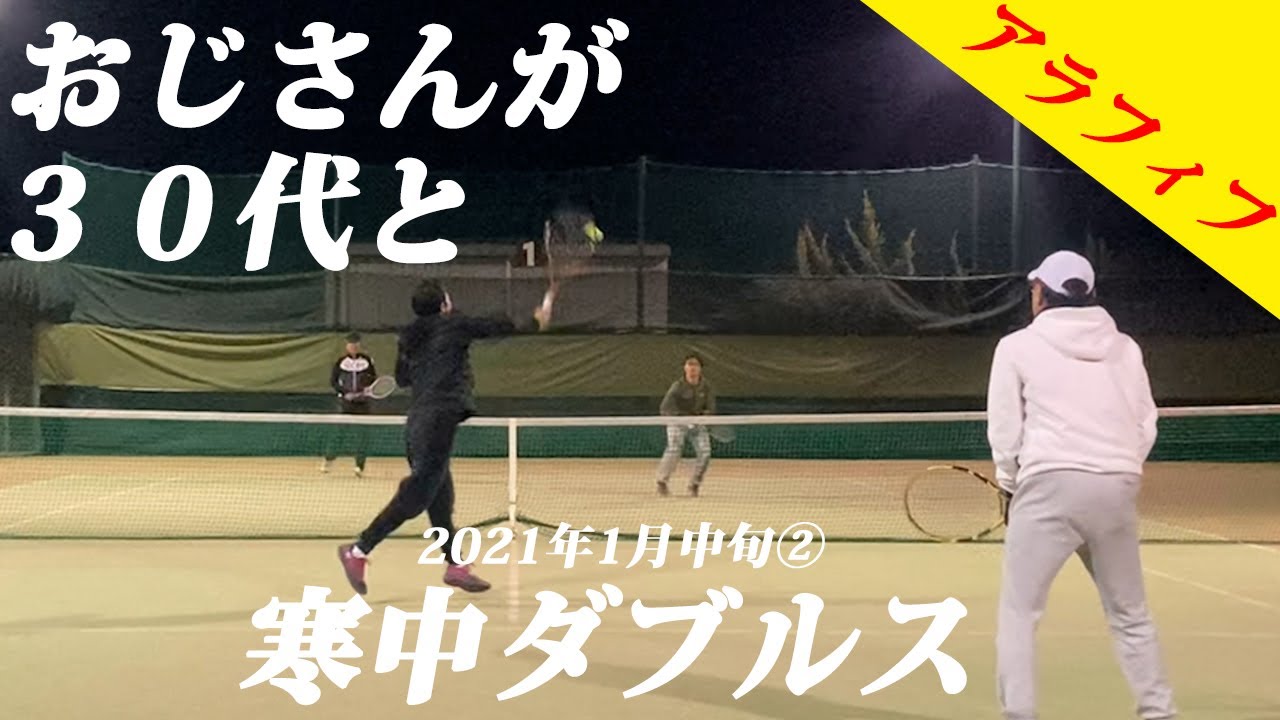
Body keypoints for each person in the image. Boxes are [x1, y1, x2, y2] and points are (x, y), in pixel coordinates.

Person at [987, 250, 1176, 720]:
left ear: (1042, 294)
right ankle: (1159, 711)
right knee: (1130, 614)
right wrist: (1120, 467)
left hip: (1048, 486)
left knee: (1019, 613)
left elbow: (1005, 429)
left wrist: (1009, 485)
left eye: (1034, 288)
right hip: (1116, 488)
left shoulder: (1016, 346)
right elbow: (1145, 423)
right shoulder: (1126, 348)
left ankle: (1019, 714)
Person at [338, 280, 555, 595]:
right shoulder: (452, 325)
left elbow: (402, 378)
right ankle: (358, 550)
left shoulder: (409, 337)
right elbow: (493, 326)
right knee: (417, 495)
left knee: (440, 502)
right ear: (443, 305)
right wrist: (535, 321)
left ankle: (455, 566)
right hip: (438, 419)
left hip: (417, 424)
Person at [655, 353, 716, 497]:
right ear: (685, 368)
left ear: (700, 368)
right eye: (689, 365)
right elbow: (665, 408)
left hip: (697, 424)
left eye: (695, 365)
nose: (692, 368)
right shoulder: (677, 386)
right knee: (674, 449)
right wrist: (680, 419)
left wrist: (703, 418)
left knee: (705, 452)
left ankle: (694, 485)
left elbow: (711, 408)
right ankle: (662, 481)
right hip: (677, 423)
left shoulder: (706, 387)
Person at [321, 332, 377, 477]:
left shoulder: (367, 361)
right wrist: (345, 393)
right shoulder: (340, 362)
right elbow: (333, 382)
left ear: (359, 345)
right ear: (347, 346)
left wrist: (366, 390)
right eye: (351, 344)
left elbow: (373, 379)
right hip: (345, 404)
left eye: (356, 344)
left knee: (362, 435)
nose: (353, 347)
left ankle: (359, 466)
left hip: (363, 404)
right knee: (339, 433)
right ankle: (328, 460)